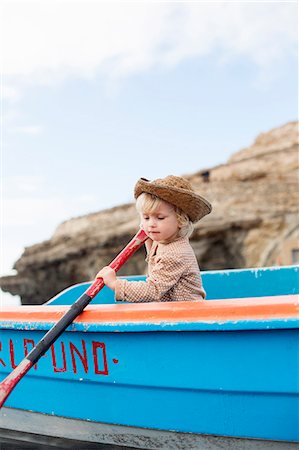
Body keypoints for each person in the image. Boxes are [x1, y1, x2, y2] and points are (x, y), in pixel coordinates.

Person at [96, 175, 212, 302]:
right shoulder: (167, 239)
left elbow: (152, 290)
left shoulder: (176, 254)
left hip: (187, 316)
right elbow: (154, 260)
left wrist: (114, 283)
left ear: (180, 220)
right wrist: (150, 240)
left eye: (160, 218)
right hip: (172, 313)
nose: (151, 224)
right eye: (146, 218)